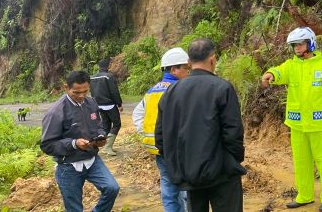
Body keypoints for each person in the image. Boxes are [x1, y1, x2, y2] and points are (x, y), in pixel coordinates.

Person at [155, 38, 246, 212]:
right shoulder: (223, 88)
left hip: (190, 173)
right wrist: (233, 161)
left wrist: (180, 164)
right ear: (213, 59)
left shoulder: (171, 92)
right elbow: (233, 132)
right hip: (222, 173)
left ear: (189, 62)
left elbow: (161, 137)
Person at [260, 27, 322, 211]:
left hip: (320, 124)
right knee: (301, 162)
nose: (297, 48)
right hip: (297, 124)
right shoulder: (292, 66)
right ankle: (304, 195)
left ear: (310, 43)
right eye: (294, 45)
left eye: (300, 44)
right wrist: (270, 74)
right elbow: (279, 71)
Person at [41, 70, 120, 212]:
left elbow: (99, 126)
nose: (81, 96)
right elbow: (47, 145)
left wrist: (101, 136)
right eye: (76, 92)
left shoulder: (91, 103)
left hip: (92, 160)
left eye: (85, 91)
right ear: (66, 87)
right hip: (68, 166)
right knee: (74, 208)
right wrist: (74, 144)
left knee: (112, 188)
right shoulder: (56, 112)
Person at [132, 47, 191, 212]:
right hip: (178, 148)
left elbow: (137, 114)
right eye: (186, 68)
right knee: (186, 188)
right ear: (174, 69)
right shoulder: (180, 89)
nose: (189, 72)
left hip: (158, 148)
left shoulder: (152, 91)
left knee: (168, 186)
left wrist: (146, 133)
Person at [89, 58, 124, 156]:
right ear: (108, 66)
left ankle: (102, 146)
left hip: (98, 105)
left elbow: (92, 92)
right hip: (109, 105)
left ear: (99, 66)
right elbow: (114, 92)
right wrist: (119, 104)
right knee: (117, 124)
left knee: (106, 125)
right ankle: (108, 146)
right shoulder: (108, 77)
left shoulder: (92, 77)